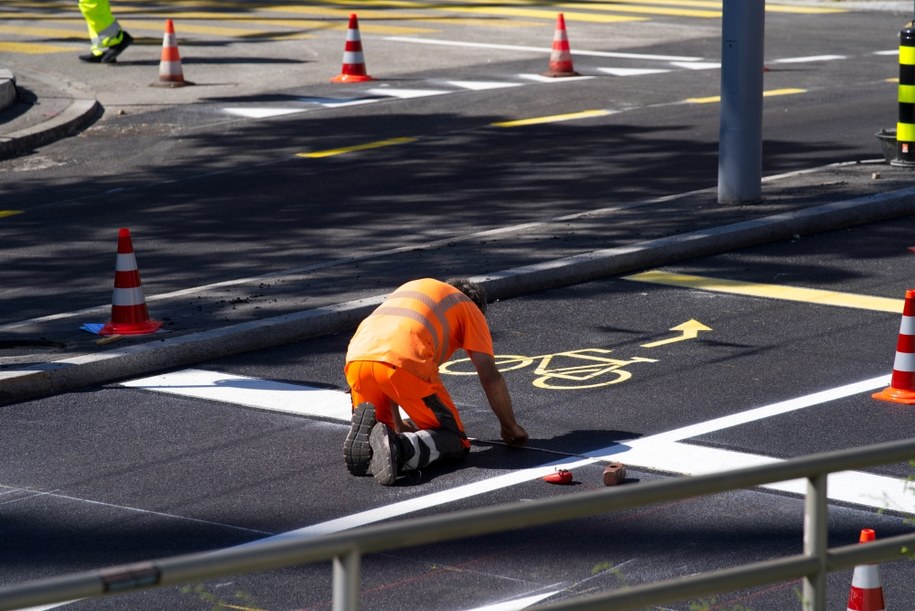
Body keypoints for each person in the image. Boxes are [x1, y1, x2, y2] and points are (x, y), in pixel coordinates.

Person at [343, 277, 528, 485]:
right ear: (478, 306)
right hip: (404, 360)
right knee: (454, 441)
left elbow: (388, 352)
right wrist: (510, 426)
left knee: (382, 428)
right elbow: (490, 376)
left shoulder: (415, 289)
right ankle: (400, 447)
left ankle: (374, 441)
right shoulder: (469, 308)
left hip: (357, 356)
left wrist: (397, 423)